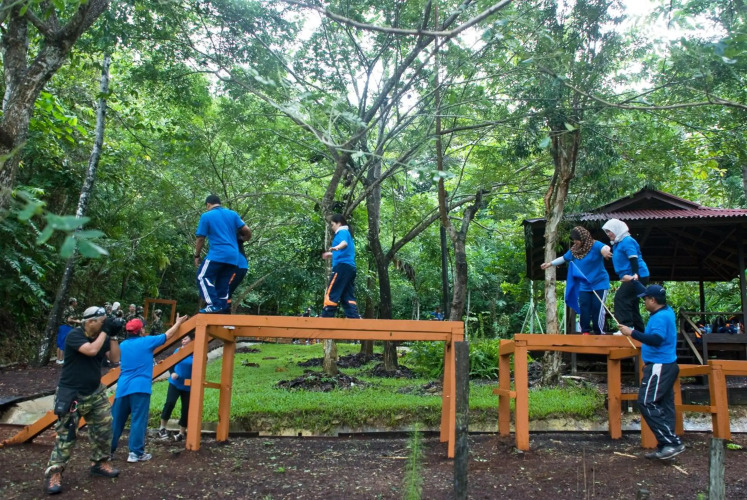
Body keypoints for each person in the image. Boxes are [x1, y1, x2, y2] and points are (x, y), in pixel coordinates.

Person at [44, 306, 121, 495]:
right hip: (72, 393)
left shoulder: (103, 335)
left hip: (95, 391)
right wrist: (106, 331)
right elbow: (91, 351)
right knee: (66, 435)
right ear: (90, 322)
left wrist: (113, 335)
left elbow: (115, 358)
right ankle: (55, 472)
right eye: (102, 321)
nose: (105, 324)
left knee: (104, 428)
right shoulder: (75, 335)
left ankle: (99, 463)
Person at [110, 313, 188, 463]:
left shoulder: (123, 345)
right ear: (141, 331)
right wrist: (178, 323)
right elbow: (167, 335)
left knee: (116, 421)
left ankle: (107, 451)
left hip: (122, 387)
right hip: (140, 388)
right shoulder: (147, 341)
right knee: (138, 420)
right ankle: (135, 453)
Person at [618, 285, 685, 460]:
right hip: (665, 364)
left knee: (646, 402)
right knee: (664, 405)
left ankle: (672, 442)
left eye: (646, 299)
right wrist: (633, 281)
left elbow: (656, 339)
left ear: (653, 300)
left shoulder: (661, 317)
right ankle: (666, 447)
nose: (644, 302)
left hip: (659, 365)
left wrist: (631, 332)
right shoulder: (666, 312)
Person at [541, 226, 612, 334]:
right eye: (573, 240)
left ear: (583, 237)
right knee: (584, 308)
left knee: (597, 308)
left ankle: (599, 332)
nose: (575, 242)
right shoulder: (574, 250)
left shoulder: (595, 245)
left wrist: (606, 251)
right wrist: (550, 264)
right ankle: (585, 331)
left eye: (576, 239)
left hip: (599, 283)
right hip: (584, 285)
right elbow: (563, 258)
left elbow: (605, 247)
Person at [194, 194, 252, 313]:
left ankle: (213, 304)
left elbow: (200, 238)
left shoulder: (206, 216)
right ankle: (221, 307)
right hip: (233, 257)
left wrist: (197, 255)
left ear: (208, 204)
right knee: (223, 283)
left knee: (202, 276)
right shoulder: (232, 214)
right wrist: (244, 239)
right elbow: (247, 230)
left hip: (218, 254)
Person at [602, 219, 650, 332]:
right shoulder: (617, 243)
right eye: (606, 232)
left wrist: (635, 275)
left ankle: (627, 327)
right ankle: (639, 331)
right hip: (631, 275)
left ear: (616, 230)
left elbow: (633, 258)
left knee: (621, 298)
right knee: (632, 302)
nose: (608, 234)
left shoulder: (627, 240)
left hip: (637, 275)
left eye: (609, 231)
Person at [320, 214, 360, 319]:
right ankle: (353, 316)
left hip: (342, 267)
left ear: (339, 223)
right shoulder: (347, 233)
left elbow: (344, 243)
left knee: (332, 290)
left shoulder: (342, 231)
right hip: (349, 268)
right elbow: (345, 251)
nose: (331, 227)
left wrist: (336, 248)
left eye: (332, 224)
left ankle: (327, 315)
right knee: (347, 294)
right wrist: (331, 254)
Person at [157, 333, 194, 442]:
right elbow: (171, 363)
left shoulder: (197, 353)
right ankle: (162, 428)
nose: (183, 341)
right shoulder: (178, 350)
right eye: (182, 339)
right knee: (170, 403)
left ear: (192, 340)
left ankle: (181, 433)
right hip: (175, 383)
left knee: (186, 408)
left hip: (189, 386)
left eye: (185, 339)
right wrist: (172, 373)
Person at [226, 232, 249, 313]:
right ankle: (226, 312)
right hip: (237, 266)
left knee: (226, 289)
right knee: (226, 290)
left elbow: (246, 233)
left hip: (239, 266)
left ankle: (225, 312)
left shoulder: (234, 234)